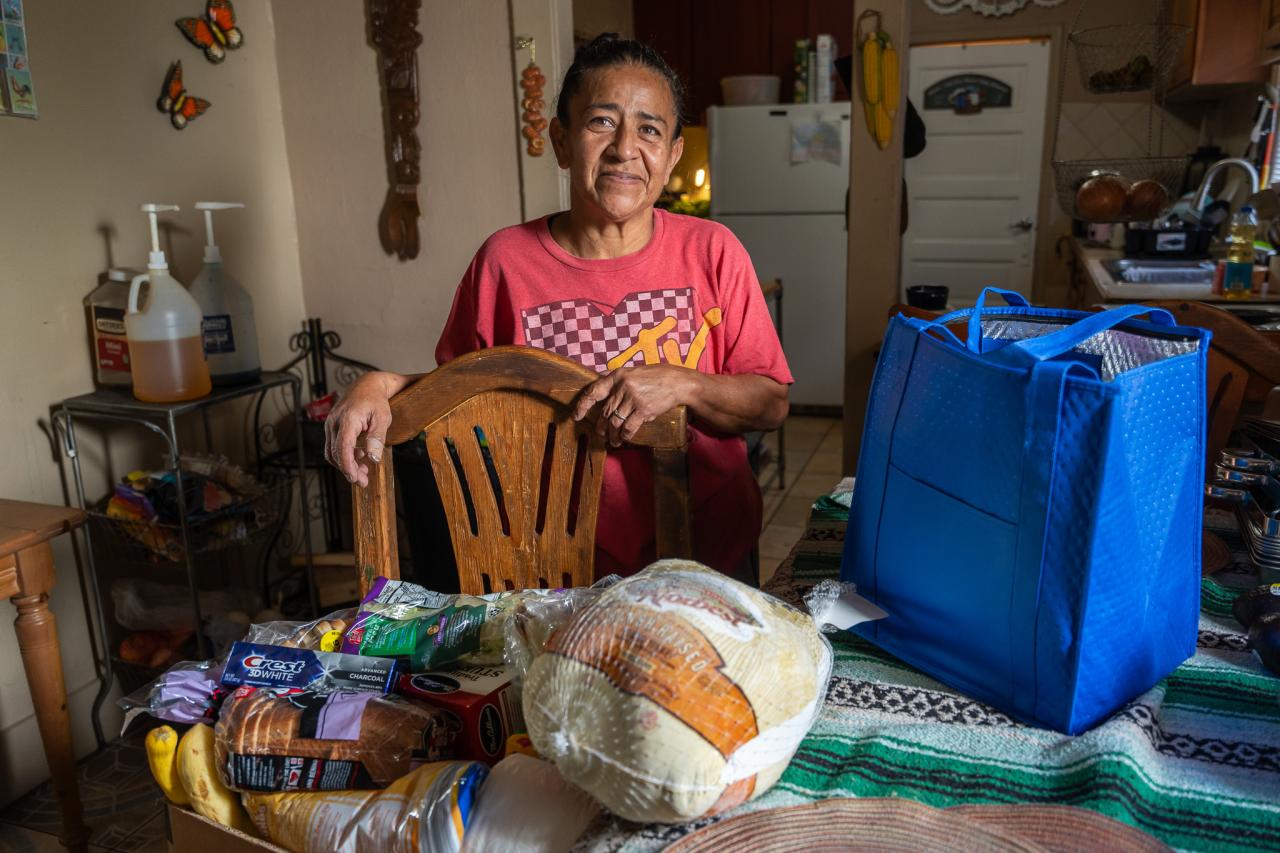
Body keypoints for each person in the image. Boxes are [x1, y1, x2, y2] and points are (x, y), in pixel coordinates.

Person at [326, 34, 791, 581]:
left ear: (670, 156)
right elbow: (462, 396)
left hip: (704, 558)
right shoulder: (505, 261)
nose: (624, 148)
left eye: (649, 129)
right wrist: (379, 384)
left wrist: (683, 384)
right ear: (562, 141)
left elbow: (770, 402)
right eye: (601, 122)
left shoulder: (713, 251)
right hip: (549, 570)